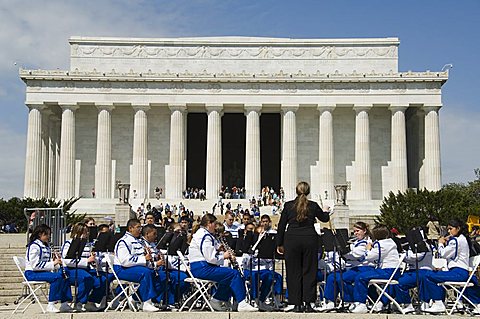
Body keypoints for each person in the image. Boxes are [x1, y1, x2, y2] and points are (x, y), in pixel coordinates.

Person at [276, 181, 330, 313]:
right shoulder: (313, 205)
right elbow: (324, 219)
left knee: (293, 272)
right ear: (308, 191)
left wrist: (279, 243)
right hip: (309, 239)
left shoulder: (289, 206)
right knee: (309, 271)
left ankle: (296, 303)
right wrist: (326, 211)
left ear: (296, 191)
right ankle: (309, 302)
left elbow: (281, 226)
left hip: (292, 240)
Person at [188, 213, 258, 312]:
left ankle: (216, 300)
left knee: (228, 276)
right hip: (202, 268)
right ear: (209, 223)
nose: (215, 227)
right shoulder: (204, 235)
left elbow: (210, 251)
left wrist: (219, 249)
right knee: (233, 274)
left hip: (201, 267)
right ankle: (242, 303)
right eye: (214, 224)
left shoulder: (204, 234)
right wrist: (224, 256)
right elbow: (210, 258)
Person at [319, 221, 375, 311]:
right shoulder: (355, 242)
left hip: (364, 267)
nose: (356, 233)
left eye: (358, 231)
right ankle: (330, 301)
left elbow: (357, 254)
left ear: (364, 231)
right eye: (354, 231)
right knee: (332, 277)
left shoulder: (368, 242)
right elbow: (349, 255)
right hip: (353, 268)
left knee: (343, 278)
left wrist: (345, 251)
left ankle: (350, 301)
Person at [421, 218, 473, 313]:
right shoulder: (462, 239)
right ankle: (437, 301)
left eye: (450, 228)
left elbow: (443, 254)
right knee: (436, 275)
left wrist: (440, 243)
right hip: (459, 271)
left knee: (428, 275)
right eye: (448, 229)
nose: (449, 231)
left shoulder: (456, 241)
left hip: (458, 272)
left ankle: (438, 302)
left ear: (458, 228)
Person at [114, 218, 164, 312]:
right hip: (122, 269)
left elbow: (143, 258)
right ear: (130, 228)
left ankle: (135, 298)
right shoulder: (123, 241)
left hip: (135, 268)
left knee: (157, 275)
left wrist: (152, 261)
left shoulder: (139, 241)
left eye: (140, 227)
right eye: (138, 227)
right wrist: (144, 259)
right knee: (146, 273)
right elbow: (125, 261)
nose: (140, 230)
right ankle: (146, 302)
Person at [350, 225, 401, 314]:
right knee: (364, 275)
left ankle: (361, 303)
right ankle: (373, 302)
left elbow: (370, 256)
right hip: (392, 271)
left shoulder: (382, 244)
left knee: (361, 277)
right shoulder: (389, 242)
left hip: (388, 271)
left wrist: (367, 249)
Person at [25, 224, 72, 313]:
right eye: (46, 234)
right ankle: (51, 304)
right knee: (56, 277)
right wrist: (53, 263)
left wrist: (55, 261)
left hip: (42, 272)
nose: (48, 236)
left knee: (65, 274)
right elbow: (35, 265)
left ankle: (64, 303)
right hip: (32, 273)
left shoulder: (45, 246)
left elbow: (45, 261)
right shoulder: (34, 246)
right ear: (40, 234)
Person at [61, 223, 104, 312]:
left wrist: (94, 259)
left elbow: (92, 260)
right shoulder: (68, 243)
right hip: (71, 270)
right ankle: (79, 302)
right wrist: (86, 261)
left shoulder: (88, 245)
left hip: (85, 269)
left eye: (87, 232)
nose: (87, 234)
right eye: (84, 232)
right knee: (86, 278)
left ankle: (91, 301)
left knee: (103, 279)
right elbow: (67, 261)